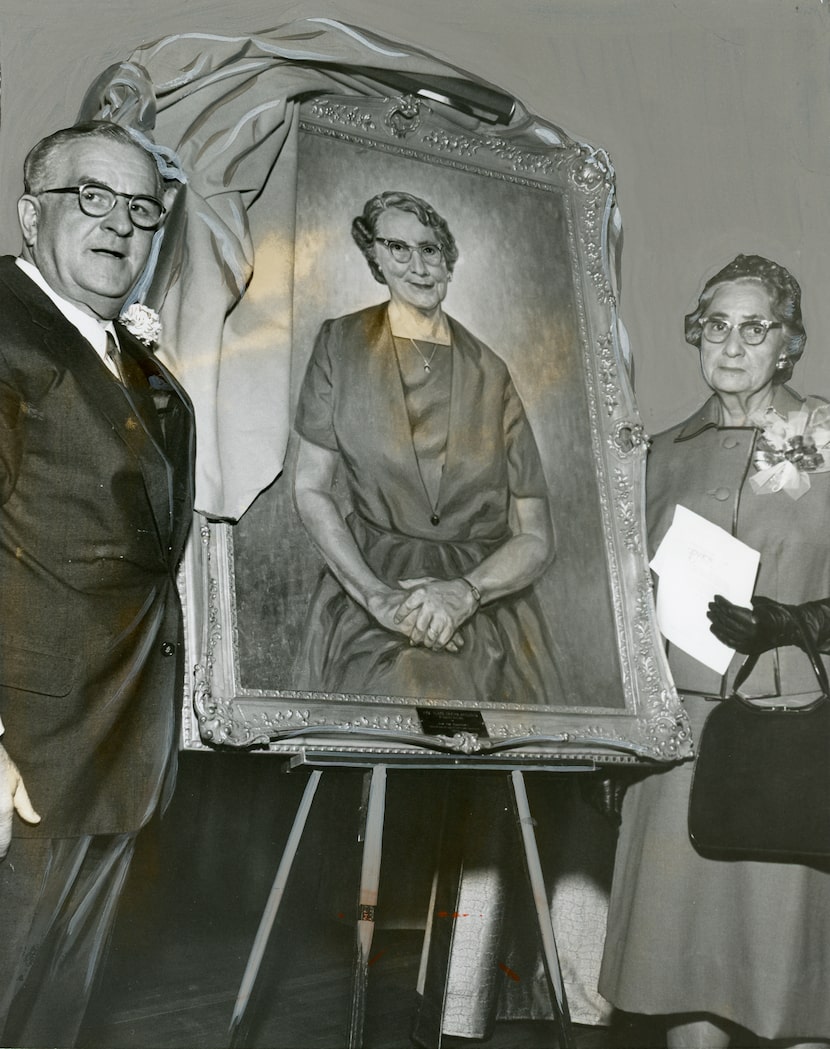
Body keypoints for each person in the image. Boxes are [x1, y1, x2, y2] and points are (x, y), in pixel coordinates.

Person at [599, 255, 830, 1047]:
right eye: (715, 326)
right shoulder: (655, 456)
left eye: (755, 327)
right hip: (678, 750)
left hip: (791, 737)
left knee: (798, 984)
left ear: (789, 344)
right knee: (682, 979)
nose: (732, 344)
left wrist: (798, 623)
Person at [0, 120, 195, 1047]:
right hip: (25, 760)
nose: (120, 223)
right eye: (92, 196)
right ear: (30, 214)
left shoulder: (124, 352)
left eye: (141, 208)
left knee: (53, 1018)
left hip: (118, 752)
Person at [292, 189, 562, 704]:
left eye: (430, 249)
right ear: (374, 256)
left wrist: (465, 593)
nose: (418, 265)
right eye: (398, 248)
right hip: (371, 592)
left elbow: (536, 536)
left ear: (448, 260)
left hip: (484, 603)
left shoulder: (492, 371)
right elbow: (310, 487)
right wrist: (377, 598)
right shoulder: (338, 345)